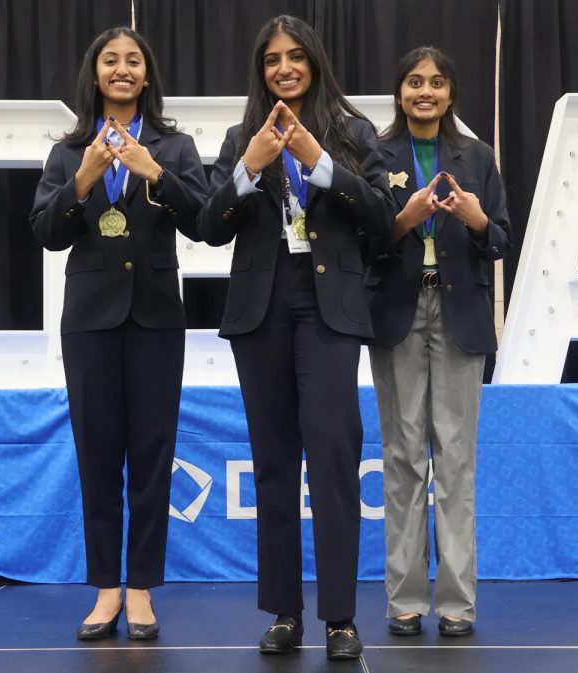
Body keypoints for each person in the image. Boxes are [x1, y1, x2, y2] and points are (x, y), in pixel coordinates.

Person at [198, 14, 395, 661]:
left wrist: (321, 164)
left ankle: (340, 616)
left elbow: (381, 216)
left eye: (295, 57)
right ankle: (284, 611)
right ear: (261, 70)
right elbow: (207, 225)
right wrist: (248, 169)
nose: (283, 67)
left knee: (334, 457)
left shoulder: (351, 132)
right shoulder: (240, 137)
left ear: (313, 61)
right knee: (274, 462)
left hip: (329, 309)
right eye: (271, 59)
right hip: (260, 310)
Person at [29, 26, 207, 642]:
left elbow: (203, 219)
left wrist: (150, 170)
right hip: (90, 323)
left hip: (158, 320)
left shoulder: (174, 146)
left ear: (147, 75)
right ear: (95, 73)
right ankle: (106, 588)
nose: (123, 69)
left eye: (133, 61)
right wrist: (85, 177)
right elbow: (46, 232)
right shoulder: (67, 150)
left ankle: (141, 590)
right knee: (98, 456)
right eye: (111, 61)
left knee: (153, 457)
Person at [366, 46, 511, 638]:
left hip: (461, 315)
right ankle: (405, 599)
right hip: (398, 313)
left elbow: (500, 240)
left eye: (437, 82)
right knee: (402, 459)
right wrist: (403, 218)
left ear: (451, 92)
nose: (425, 91)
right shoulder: (374, 153)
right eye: (414, 81)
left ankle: (456, 604)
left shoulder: (476, 157)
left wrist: (477, 220)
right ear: (399, 91)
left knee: (455, 460)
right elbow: (362, 241)